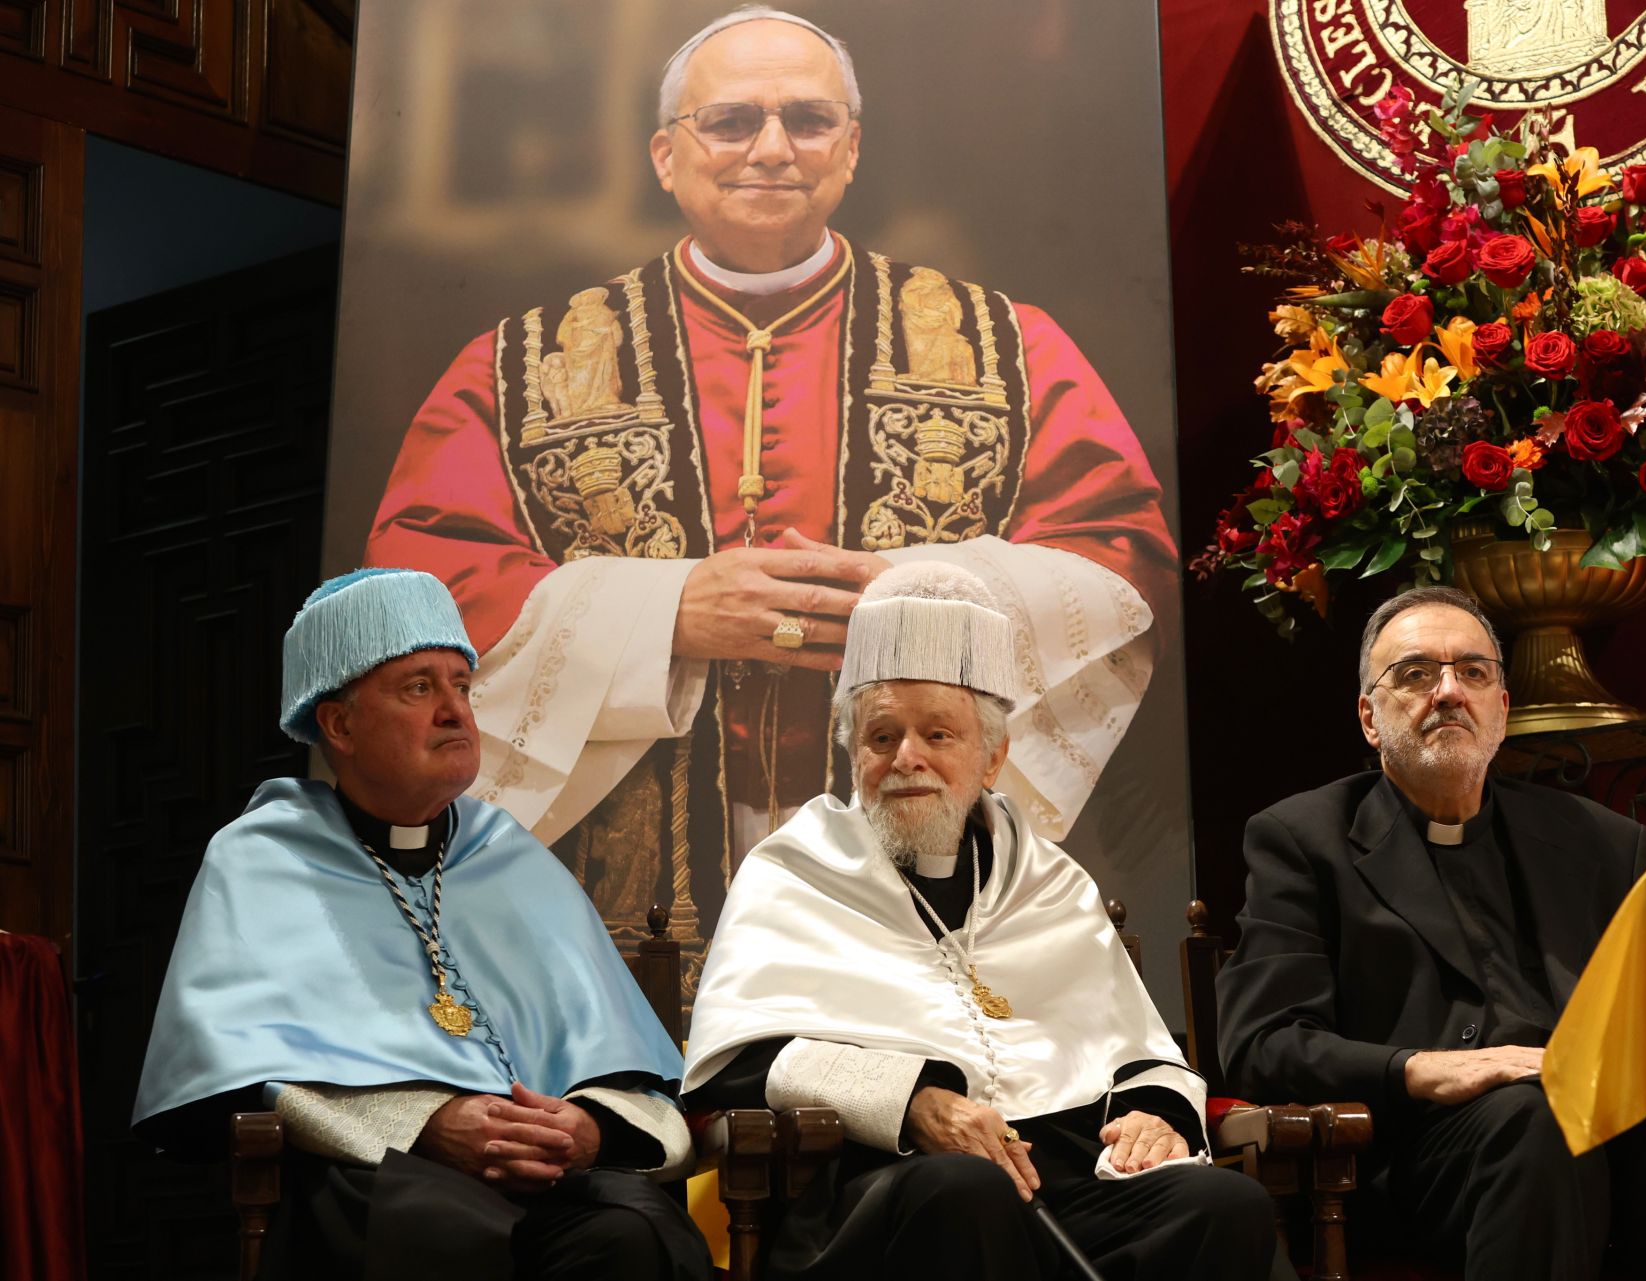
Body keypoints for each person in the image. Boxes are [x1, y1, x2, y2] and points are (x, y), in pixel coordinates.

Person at [363, 6, 1178, 975]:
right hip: (624, 902)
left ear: (853, 148)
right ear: (666, 155)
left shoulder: (1004, 348)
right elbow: (413, 593)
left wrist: (920, 598)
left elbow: (1122, 562)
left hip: (913, 867)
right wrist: (664, 616)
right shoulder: (524, 368)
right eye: (733, 121)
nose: (773, 148)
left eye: (808, 119)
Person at [680, 562, 1281, 1281]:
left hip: (1068, 1185)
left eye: (938, 733)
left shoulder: (1047, 880)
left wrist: (1157, 1115)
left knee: (1224, 1203)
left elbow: (1136, 1047)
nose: (907, 757)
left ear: (991, 756)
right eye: (881, 736)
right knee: (967, 1191)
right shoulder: (796, 870)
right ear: (853, 753)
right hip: (887, 1192)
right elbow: (741, 1061)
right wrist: (912, 1102)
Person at [132, 569, 709, 1281]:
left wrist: (584, 1128)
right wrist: (426, 1124)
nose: (455, 712)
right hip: (378, 1174)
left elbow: (627, 1073)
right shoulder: (263, 859)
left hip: (549, 1178)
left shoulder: (509, 855)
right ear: (339, 723)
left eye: (462, 685)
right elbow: (240, 1075)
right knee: (443, 1233)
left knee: (636, 1233)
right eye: (418, 687)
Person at [1216, 586, 1646, 1280]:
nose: (1449, 692)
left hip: (1589, 1131)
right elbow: (1261, 1042)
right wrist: (1419, 1069)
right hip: (1409, 1156)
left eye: (1474, 672)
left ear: (1501, 712)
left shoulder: (1602, 844)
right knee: (1532, 1120)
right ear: (1369, 716)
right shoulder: (1303, 840)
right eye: (1416, 674)